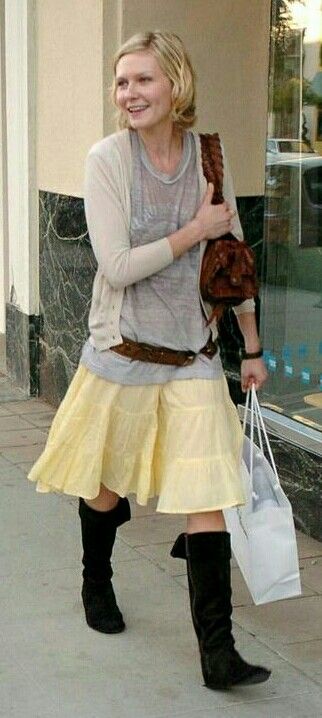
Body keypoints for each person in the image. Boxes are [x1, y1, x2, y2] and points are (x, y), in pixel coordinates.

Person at [28, 31, 270, 691]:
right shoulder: (107, 158)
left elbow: (234, 262)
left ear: (177, 85)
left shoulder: (207, 156)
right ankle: (95, 580)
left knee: (209, 498)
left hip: (193, 354)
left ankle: (217, 655)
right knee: (106, 485)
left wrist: (249, 345)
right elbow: (116, 266)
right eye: (121, 82)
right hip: (123, 353)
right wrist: (193, 230)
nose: (129, 93)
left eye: (143, 80)